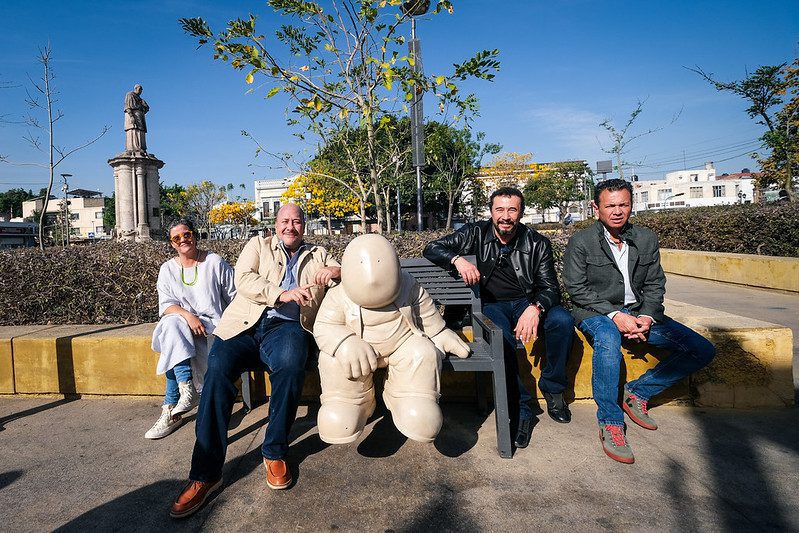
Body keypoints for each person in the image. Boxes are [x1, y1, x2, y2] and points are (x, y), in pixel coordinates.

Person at [170, 203, 341, 519]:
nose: (290, 226)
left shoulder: (319, 253)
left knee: (291, 366)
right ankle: (205, 473)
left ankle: (274, 451)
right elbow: (243, 279)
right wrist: (280, 294)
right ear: (276, 224)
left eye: (297, 221)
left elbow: (346, 272)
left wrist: (335, 271)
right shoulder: (257, 245)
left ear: (305, 225)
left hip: (288, 328)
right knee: (217, 371)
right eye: (285, 221)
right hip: (244, 324)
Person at [563, 179, 715, 464]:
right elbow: (576, 289)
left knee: (702, 350)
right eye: (610, 205)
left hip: (639, 313)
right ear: (596, 208)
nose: (617, 211)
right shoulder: (581, 241)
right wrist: (616, 316)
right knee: (607, 339)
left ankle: (638, 392)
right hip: (595, 313)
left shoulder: (646, 239)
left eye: (624, 204)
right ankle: (611, 422)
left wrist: (646, 316)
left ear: (632, 206)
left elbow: (656, 284)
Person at [423, 187, 575, 450]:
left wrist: (535, 308)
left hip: (528, 303)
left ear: (521, 213)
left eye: (512, 210)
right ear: (491, 212)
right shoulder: (474, 233)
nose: (505, 216)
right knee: (500, 339)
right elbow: (431, 248)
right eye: (500, 210)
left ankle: (553, 388)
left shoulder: (537, 243)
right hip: (492, 306)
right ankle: (523, 408)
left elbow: (551, 288)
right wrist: (457, 259)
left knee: (562, 321)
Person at [313, 234, 470, 445]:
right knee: (331, 357)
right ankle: (351, 402)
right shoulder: (338, 294)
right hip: (357, 355)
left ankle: (411, 397)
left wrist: (439, 332)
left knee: (423, 352)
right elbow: (324, 326)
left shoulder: (408, 285)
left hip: (401, 345)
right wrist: (344, 342)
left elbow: (424, 311)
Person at [147, 219, 236, 440]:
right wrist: (188, 316)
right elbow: (167, 305)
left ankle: (170, 407)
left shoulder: (214, 262)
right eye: (176, 238)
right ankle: (185, 389)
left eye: (186, 235)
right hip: (182, 326)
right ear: (172, 244)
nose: (183, 240)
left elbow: (234, 297)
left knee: (171, 342)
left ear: (194, 235)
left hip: (212, 328)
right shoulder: (167, 269)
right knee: (172, 324)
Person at [124, 84, 149, 153]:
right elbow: (127, 106)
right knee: (133, 129)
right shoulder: (130, 94)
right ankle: (133, 147)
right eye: (139, 89)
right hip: (133, 115)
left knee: (140, 130)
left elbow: (147, 108)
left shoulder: (140, 99)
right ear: (135, 89)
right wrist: (131, 116)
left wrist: (144, 106)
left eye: (141, 90)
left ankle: (141, 147)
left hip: (140, 116)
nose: (141, 91)